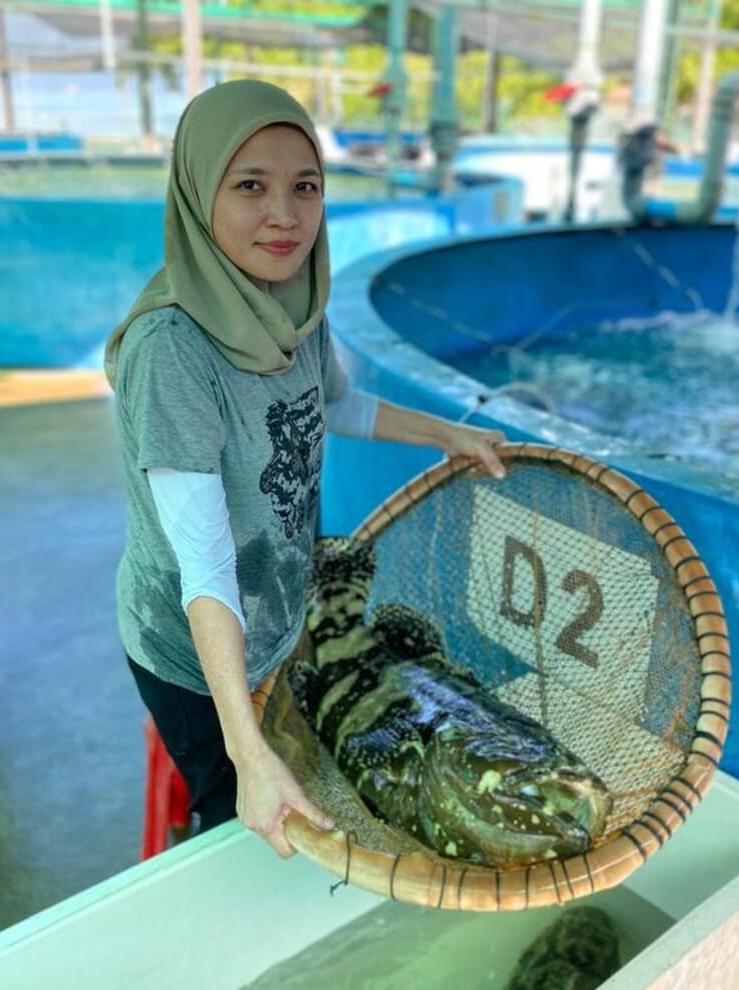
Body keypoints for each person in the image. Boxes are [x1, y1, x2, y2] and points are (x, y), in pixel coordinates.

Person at [105, 80, 506, 860]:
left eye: (306, 187)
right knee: (240, 819)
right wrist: (248, 751)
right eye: (251, 186)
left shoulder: (290, 299)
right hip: (192, 650)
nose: (285, 215)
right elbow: (206, 568)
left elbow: (337, 403)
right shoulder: (172, 350)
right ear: (198, 192)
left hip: (276, 613)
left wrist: (448, 434)